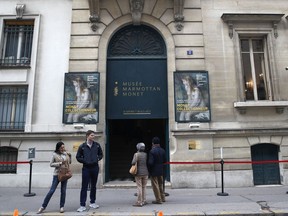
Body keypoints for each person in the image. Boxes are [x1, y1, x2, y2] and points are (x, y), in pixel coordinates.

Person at [37, 141, 71, 214]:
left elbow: (69, 163)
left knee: (63, 191)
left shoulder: (66, 154)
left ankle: (62, 207)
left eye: (63, 147)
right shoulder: (54, 154)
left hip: (65, 174)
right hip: (57, 174)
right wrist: (59, 163)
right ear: (58, 148)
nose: (63, 148)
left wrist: (69, 156)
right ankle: (43, 206)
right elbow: (51, 164)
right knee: (52, 190)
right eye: (61, 147)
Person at [76, 130, 103, 212]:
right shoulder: (82, 146)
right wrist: (85, 161)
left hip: (95, 167)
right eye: (92, 135)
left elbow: (101, 154)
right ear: (87, 136)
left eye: (94, 135)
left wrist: (97, 159)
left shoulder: (97, 145)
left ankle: (92, 202)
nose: (93, 137)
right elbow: (78, 157)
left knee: (93, 186)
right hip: (86, 168)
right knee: (84, 186)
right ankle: (82, 204)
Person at [148, 137, 166, 204]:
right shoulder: (163, 150)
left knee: (155, 186)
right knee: (161, 184)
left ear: (153, 143)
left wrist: (149, 170)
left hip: (154, 171)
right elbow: (165, 160)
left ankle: (158, 199)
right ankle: (163, 198)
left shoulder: (152, 151)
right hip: (161, 170)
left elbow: (150, 163)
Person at [131, 142, 149, 207]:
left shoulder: (136, 154)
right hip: (145, 172)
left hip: (138, 173)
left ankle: (139, 202)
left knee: (139, 187)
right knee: (144, 187)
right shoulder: (145, 154)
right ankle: (144, 200)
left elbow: (133, 162)